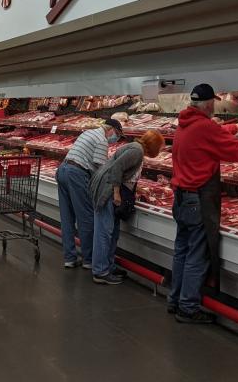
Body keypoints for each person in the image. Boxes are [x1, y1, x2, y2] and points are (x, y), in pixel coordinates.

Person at [168, 84, 238, 324]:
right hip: (197, 200)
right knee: (198, 254)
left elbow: (212, 135)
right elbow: (237, 152)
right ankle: (187, 308)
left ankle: (175, 299)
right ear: (209, 104)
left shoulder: (185, 123)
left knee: (182, 251)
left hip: (181, 198)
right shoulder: (205, 126)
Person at [89, 129, 164, 284]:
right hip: (107, 190)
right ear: (153, 145)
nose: (161, 150)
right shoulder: (136, 151)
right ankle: (100, 271)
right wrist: (116, 193)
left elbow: (125, 172)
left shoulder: (136, 148)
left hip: (109, 187)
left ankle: (108, 266)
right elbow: (117, 168)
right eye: (160, 147)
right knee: (104, 232)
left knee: (112, 232)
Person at [55, 118, 123, 269]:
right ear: (110, 130)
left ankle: (70, 258)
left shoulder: (88, 133)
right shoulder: (101, 140)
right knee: (86, 218)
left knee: (67, 218)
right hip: (77, 175)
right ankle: (89, 260)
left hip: (62, 170)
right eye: (117, 134)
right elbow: (101, 170)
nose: (115, 139)